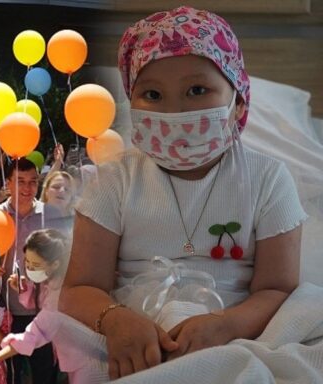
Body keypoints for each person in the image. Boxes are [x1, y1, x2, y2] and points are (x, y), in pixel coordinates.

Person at [57, 6, 308, 381]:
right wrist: (116, 320)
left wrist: (225, 326)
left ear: (237, 100)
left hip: (236, 333)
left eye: (197, 90)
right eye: (153, 94)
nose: (175, 111)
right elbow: (79, 288)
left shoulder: (268, 179)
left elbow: (276, 290)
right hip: (132, 336)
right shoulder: (113, 181)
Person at [0, 159, 67, 384]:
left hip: (42, 309)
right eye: (20, 182)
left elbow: (64, 258)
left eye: (33, 182)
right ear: (8, 183)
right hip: (5, 309)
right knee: (11, 373)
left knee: (44, 372)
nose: (27, 188)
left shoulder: (51, 215)